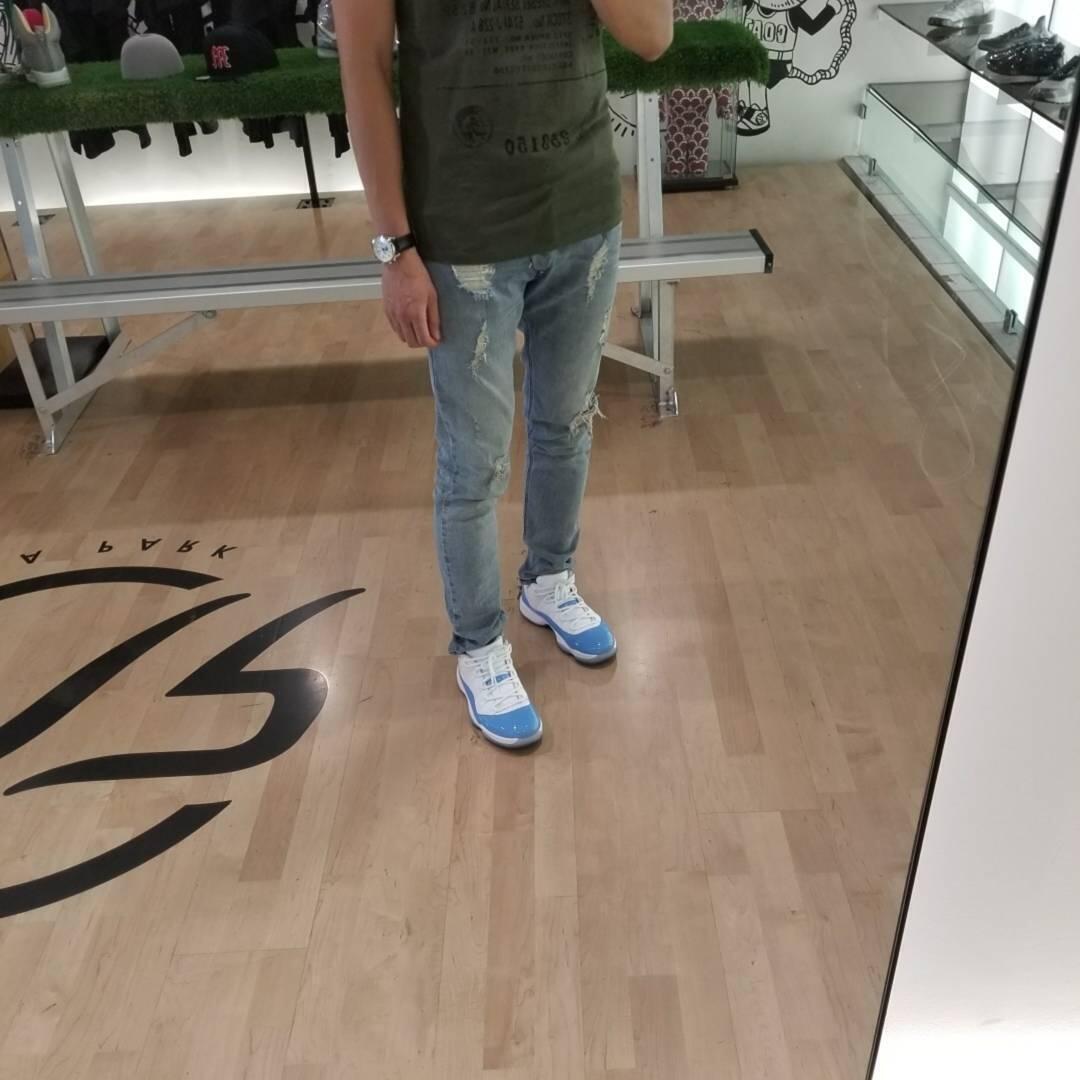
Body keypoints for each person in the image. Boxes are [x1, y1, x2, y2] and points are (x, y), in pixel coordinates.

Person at [336, 0, 672, 749]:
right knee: (474, 461)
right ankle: (479, 644)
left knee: (567, 422)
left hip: (582, 213)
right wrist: (394, 248)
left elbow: (653, 37)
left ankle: (549, 578)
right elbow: (363, 70)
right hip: (463, 234)